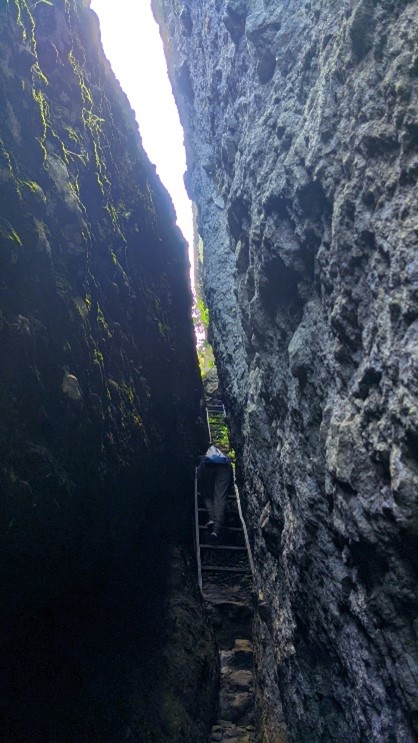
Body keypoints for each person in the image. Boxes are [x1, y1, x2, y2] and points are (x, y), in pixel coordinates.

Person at [197, 444, 233, 540]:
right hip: (225, 468)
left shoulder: (204, 460)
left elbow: (201, 481)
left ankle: (212, 518)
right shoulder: (224, 457)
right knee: (220, 498)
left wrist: (202, 488)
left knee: (207, 495)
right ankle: (216, 530)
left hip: (207, 468)